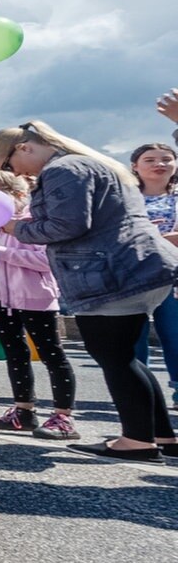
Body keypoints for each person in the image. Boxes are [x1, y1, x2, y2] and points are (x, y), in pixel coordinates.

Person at [5, 121, 178, 461]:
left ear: (24, 148)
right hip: (139, 266)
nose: (12, 171)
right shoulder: (90, 162)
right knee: (125, 357)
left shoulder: (63, 169)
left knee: (115, 358)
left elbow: (67, 225)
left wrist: (16, 227)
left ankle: (137, 441)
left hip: (110, 273)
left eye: (7, 163)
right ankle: (161, 436)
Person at [0, 170, 78, 440]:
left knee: (51, 354)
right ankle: (24, 410)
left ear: (17, 195)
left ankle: (64, 416)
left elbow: (46, 261)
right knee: (15, 353)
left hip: (35, 297)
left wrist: (1, 252)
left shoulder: (35, 220)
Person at [127, 142, 178, 401]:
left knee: (174, 335)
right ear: (135, 166)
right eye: (150, 159)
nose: (159, 164)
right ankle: (138, 393)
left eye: (166, 159)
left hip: (173, 276)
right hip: (132, 276)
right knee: (133, 337)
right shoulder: (122, 198)